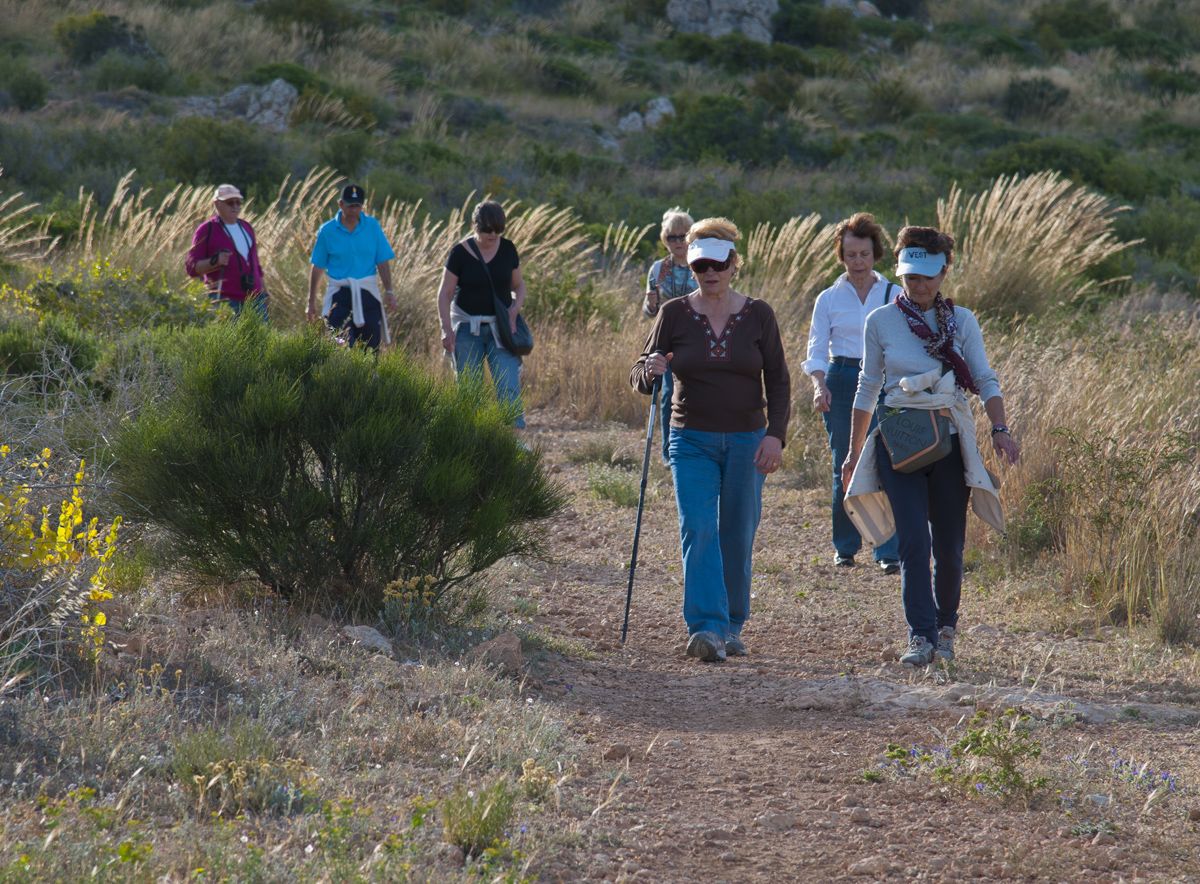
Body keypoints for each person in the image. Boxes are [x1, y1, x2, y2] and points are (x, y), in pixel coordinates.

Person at [841, 226, 1020, 666]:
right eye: (910, 277)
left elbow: (985, 379)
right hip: (899, 442)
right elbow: (868, 387)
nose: (918, 285)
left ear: (944, 272)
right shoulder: (880, 321)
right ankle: (919, 635)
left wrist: (1000, 429)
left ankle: (946, 628)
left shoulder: (963, 321)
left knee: (949, 548)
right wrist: (852, 452)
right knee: (913, 544)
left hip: (950, 441)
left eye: (926, 277)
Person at [630, 217, 790, 663]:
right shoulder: (673, 313)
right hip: (690, 439)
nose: (710, 273)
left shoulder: (759, 314)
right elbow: (640, 373)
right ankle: (706, 627)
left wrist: (775, 436)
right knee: (698, 528)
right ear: (692, 266)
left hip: (747, 440)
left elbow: (779, 381)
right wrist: (650, 371)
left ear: (734, 263)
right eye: (701, 266)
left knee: (737, 533)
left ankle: (733, 624)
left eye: (719, 265)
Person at [803, 213, 900, 573]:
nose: (858, 262)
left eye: (864, 254)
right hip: (841, 378)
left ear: (876, 254)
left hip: (883, 381)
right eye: (850, 255)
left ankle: (887, 551)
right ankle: (845, 547)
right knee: (845, 462)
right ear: (841, 256)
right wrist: (819, 386)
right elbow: (816, 349)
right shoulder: (828, 298)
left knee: (886, 463)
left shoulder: (894, 294)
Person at [436, 200, 528, 430]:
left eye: (498, 229)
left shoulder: (508, 249)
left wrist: (514, 311)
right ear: (474, 226)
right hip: (467, 329)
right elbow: (445, 293)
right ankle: (473, 440)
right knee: (470, 392)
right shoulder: (459, 252)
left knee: (508, 386)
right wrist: (446, 329)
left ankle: (513, 441)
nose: (493, 234)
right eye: (487, 229)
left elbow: (519, 286)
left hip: (501, 330)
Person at [307, 184, 397, 350]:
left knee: (371, 348)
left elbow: (382, 261)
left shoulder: (372, 227)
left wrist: (389, 291)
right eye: (350, 205)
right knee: (338, 345)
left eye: (357, 205)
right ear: (341, 204)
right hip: (339, 296)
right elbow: (317, 266)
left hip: (367, 294)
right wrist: (311, 301)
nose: (354, 210)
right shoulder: (327, 231)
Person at [642, 208, 697, 464]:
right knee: (667, 395)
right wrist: (651, 304)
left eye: (683, 236)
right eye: (672, 237)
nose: (678, 242)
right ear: (665, 239)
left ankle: (694, 447)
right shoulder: (658, 269)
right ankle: (669, 452)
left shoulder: (701, 264)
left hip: (697, 338)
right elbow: (648, 312)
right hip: (666, 339)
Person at [185, 184, 268, 319]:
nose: (235, 206)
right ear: (217, 204)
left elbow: (256, 265)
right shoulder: (206, 230)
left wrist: (265, 293)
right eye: (230, 202)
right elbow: (191, 268)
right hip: (225, 301)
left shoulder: (247, 227)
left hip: (255, 300)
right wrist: (214, 262)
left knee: (261, 333)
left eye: (238, 202)